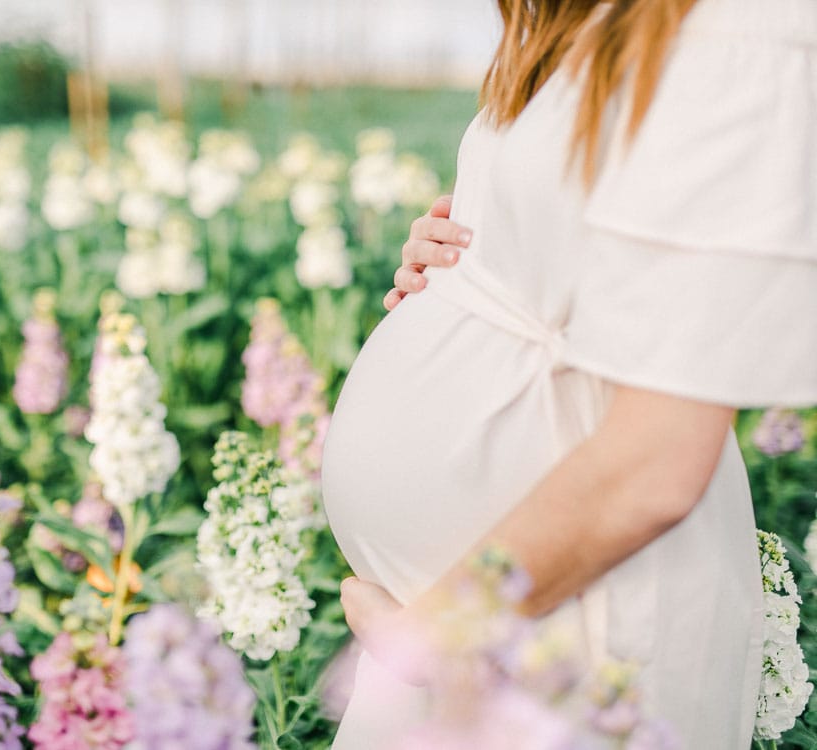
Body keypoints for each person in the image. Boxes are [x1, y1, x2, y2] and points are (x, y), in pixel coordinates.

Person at [319, 0, 817, 747]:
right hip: (484, 610)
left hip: (575, 619)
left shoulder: (738, 27)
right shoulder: (578, 20)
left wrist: (429, 637)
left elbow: (654, 464)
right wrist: (469, 265)